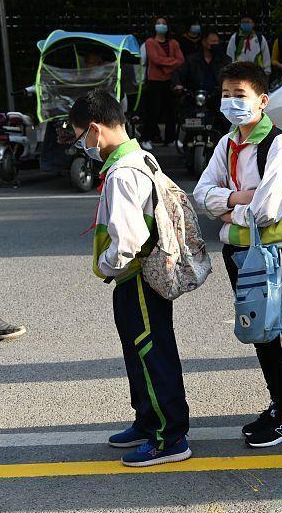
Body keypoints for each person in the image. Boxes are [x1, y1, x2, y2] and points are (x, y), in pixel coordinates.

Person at [70, 89, 191, 467]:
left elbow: (128, 241)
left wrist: (106, 266)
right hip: (142, 278)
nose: (81, 146)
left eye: (80, 137)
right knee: (141, 353)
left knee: (151, 353)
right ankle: (147, 420)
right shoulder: (140, 157)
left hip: (136, 276)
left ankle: (169, 437)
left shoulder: (122, 173)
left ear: (95, 129)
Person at [193, 61, 282, 448]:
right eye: (226, 95)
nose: (231, 102)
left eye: (240, 95)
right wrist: (237, 200)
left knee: (277, 328)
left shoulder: (278, 144)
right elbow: (200, 193)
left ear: (262, 100)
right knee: (257, 329)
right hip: (237, 248)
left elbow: (268, 208)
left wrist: (225, 206)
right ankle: (276, 404)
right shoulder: (227, 143)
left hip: (271, 250)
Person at [142, 17, 184, 149]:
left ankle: (171, 139)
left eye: (164, 23)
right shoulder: (150, 42)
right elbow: (155, 60)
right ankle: (146, 138)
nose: (161, 26)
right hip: (155, 81)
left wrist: (165, 66)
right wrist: (171, 65)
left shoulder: (173, 43)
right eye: (158, 23)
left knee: (171, 111)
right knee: (153, 111)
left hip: (169, 81)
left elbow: (181, 59)